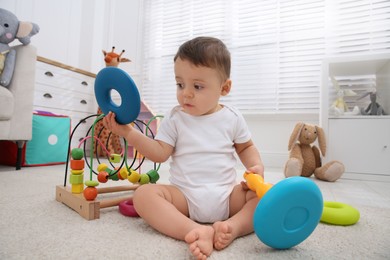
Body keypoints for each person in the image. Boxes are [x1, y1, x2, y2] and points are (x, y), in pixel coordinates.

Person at [103, 36, 264, 259]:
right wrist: (129, 133)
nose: (186, 93)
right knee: (143, 195)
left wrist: (256, 166)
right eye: (180, 84)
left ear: (224, 88)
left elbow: (246, 148)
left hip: (228, 196)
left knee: (265, 195)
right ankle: (195, 230)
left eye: (197, 86)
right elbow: (159, 153)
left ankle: (233, 227)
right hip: (184, 198)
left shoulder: (232, 117)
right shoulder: (175, 118)